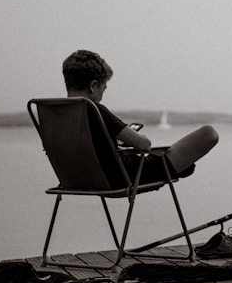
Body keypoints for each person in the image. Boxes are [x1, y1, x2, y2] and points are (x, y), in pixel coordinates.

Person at [62, 49, 219, 185]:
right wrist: (137, 137)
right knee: (208, 133)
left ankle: (182, 167)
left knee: (183, 165)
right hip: (120, 178)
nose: (103, 95)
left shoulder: (54, 113)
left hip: (75, 179)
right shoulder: (93, 110)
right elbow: (144, 145)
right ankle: (181, 167)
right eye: (104, 88)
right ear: (93, 86)